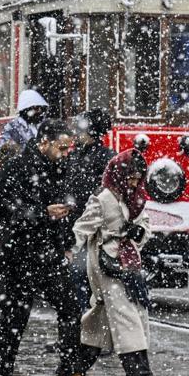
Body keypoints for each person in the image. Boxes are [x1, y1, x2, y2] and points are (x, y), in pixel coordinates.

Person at [0, 119, 89, 376]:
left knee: (70, 308)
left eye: (68, 148)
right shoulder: (17, 167)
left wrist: (65, 227)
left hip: (49, 252)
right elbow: (3, 208)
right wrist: (41, 214)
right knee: (15, 317)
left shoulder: (60, 166)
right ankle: (3, 374)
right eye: (61, 147)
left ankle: (70, 371)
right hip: (20, 253)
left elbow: (70, 197)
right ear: (43, 142)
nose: (65, 152)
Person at [71, 150, 163, 376]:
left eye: (138, 177)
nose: (134, 182)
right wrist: (67, 252)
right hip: (107, 266)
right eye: (130, 176)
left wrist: (139, 233)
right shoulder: (104, 199)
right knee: (128, 319)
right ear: (119, 173)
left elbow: (145, 226)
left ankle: (74, 371)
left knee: (100, 322)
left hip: (129, 265)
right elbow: (81, 228)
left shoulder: (138, 198)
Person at [64, 108, 115, 311]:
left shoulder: (102, 158)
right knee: (80, 278)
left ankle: (82, 331)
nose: (77, 135)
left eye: (81, 130)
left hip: (89, 225)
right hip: (80, 223)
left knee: (81, 278)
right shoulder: (79, 155)